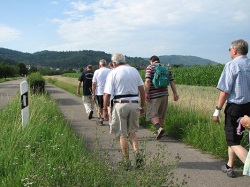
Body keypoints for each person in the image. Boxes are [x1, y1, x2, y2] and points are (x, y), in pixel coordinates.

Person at [213, 39, 250, 178]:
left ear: (234, 50)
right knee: (235, 138)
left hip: (235, 108)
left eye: (229, 49)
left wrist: (217, 110)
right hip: (249, 106)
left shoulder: (232, 65)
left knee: (232, 141)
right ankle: (229, 165)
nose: (229, 52)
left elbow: (225, 91)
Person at [103, 53, 145, 169]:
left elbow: (107, 95)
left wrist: (104, 110)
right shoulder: (134, 70)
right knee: (132, 133)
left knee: (122, 135)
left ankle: (127, 162)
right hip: (134, 104)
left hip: (120, 104)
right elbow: (142, 89)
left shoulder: (113, 73)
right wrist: (143, 106)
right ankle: (137, 154)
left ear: (114, 63)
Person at [144, 55, 179, 140]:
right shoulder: (166, 68)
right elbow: (172, 82)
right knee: (161, 115)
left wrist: (146, 93)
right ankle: (160, 132)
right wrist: (175, 93)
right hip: (164, 94)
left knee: (152, 114)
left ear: (151, 61)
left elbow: (148, 80)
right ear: (158, 60)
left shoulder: (150, 67)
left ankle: (159, 128)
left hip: (154, 95)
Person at [92, 59, 111, 125]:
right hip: (109, 91)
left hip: (99, 91)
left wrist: (93, 93)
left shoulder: (96, 72)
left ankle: (101, 119)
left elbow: (94, 83)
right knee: (108, 105)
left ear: (99, 65)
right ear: (106, 64)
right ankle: (109, 118)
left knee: (100, 106)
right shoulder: (110, 71)